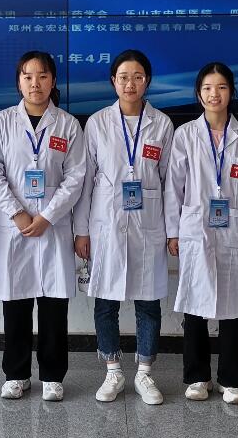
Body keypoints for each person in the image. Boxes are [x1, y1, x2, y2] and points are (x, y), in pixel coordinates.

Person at [0, 51, 87, 402]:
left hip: (53, 226)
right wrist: (18, 213)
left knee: (54, 304)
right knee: (16, 302)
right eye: (27, 76)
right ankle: (16, 374)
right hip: (15, 226)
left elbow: (76, 177)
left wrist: (47, 216)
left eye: (42, 76)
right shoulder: (2, 122)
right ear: (19, 81)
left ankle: (53, 376)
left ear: (53, 81)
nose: (35, 83)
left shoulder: (67, 125)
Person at [165, 62, 238, 405]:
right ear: (199, 94)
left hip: (235, 230)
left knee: (234, 306)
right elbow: (173, 188)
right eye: (208, 88)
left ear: (231, 92)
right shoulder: (185, 135)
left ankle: (232, 379)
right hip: (196, 228)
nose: (215, 94)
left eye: (222, 87)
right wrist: (173, 231)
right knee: (195, 302)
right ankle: (197, 377)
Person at [74, 50, 174, 405]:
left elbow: (170, 183)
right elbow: (85, 181)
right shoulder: (97, 123)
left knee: (148, 303)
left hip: (148, 225)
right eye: (123, 77)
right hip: (107, 225)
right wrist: (82, 230)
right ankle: (113, 370)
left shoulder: (162, 124)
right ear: (113, 81)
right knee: (106, 302)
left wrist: (173, 231)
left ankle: (145, 372)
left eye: (137, 77)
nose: (130, 84)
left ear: (147, 81)